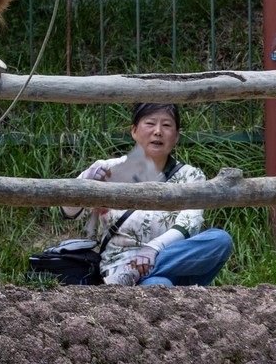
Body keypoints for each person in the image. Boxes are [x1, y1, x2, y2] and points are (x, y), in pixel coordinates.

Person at [61, 102, 233, 286]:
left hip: (174, 261)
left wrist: (153, 249)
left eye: (166, 125)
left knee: (220, 240)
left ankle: (135, 272)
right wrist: (86, 181)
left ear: (176, 136)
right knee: (160, 284)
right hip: (120, 265)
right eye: (150, 124)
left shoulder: (191, 175)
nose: (158, 131)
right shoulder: (108, 169)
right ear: (134, 131)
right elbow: (70, 213)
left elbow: (191, 223)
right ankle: (133, 274)